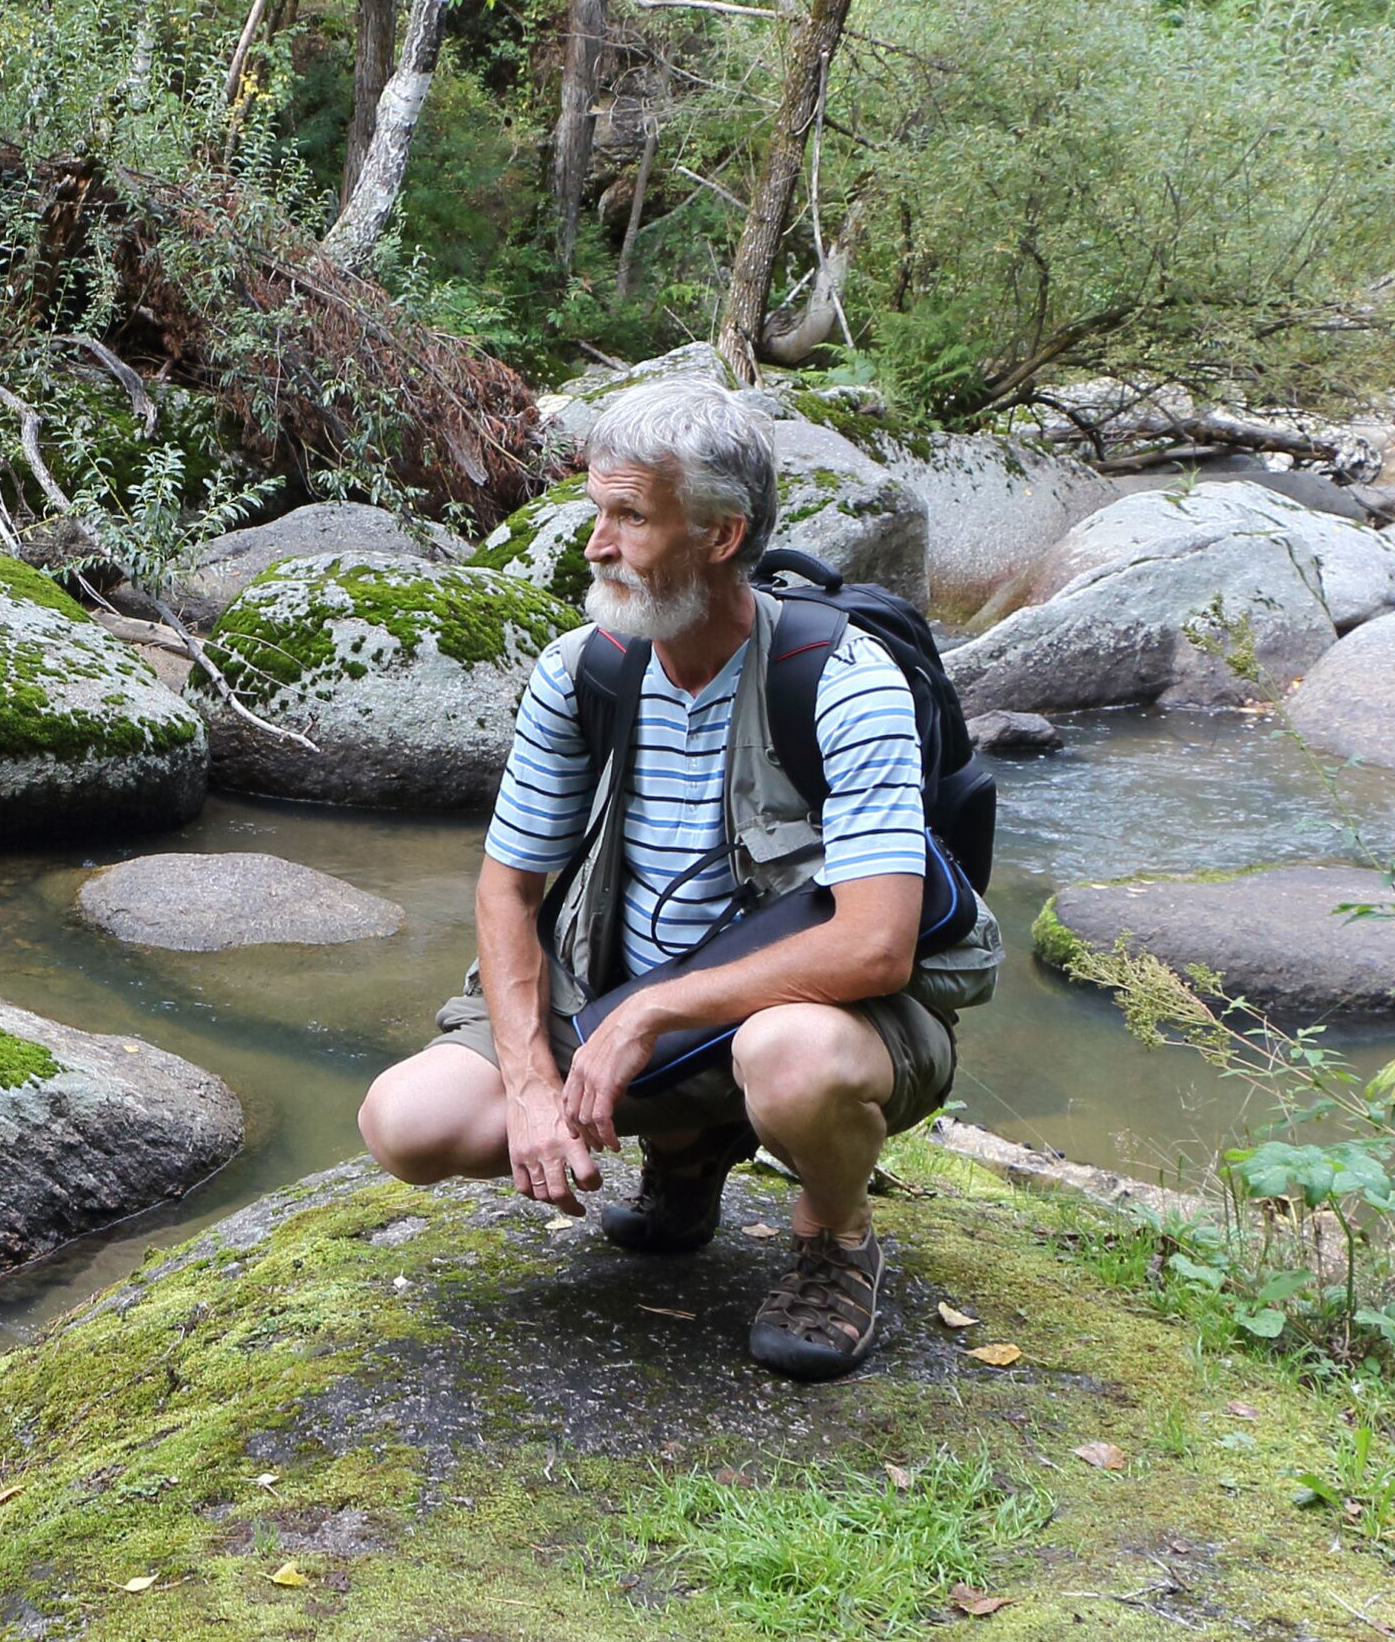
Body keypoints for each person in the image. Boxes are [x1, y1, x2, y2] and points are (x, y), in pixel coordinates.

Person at [356, 378, 998, 1381]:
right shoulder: (584, 670)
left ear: (720, 533)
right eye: (595, 512)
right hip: (614, 1004)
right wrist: (529, 1083)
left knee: (788, 1059)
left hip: (822, 1016)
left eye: (627, 516)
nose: (594, 544)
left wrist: (655, 1013)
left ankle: (834, 1237)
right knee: (407, 1120)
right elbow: (505, 890)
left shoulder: (842, 679)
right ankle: (689, 1150)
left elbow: (878, 943)